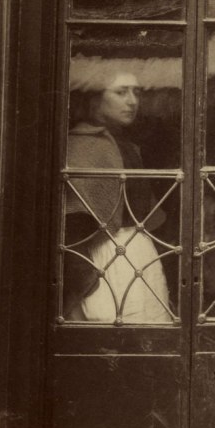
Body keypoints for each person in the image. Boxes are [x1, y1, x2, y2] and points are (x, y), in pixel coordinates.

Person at [62, 69, 172, 324]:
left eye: (136, 92)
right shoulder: (82, 146)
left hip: (137, 250)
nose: (132, 101)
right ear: (94, 99)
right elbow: (75, 222)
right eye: (121, 92)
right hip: (103, 256)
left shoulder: (126, 145)